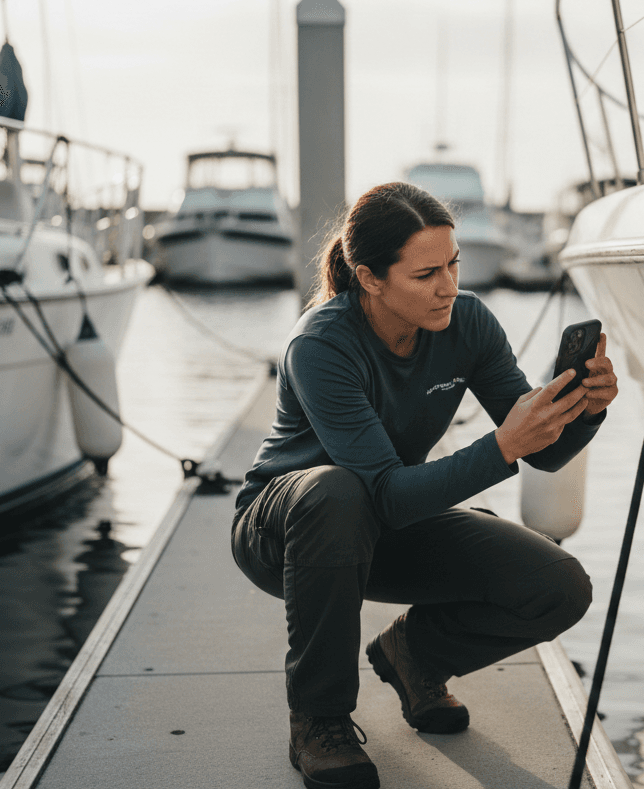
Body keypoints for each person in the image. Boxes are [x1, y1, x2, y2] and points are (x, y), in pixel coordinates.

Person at [231, 182, 618, 789]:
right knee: (338, 492)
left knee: (559, 587)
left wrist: (584, 409)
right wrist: (504, 446)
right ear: (370, 277)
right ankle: (319, 720)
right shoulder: (321, 344)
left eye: (454, 264)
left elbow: (540, 455)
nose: (449, 285)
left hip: (387, 516)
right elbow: (382, 491)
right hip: (285, 531)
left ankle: (414, 657)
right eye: (426, 274)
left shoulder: (467, 324)